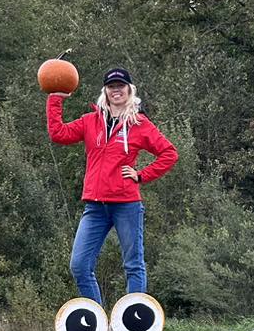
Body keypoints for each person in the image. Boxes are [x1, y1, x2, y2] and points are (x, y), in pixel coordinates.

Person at [46, 66, 179, 304]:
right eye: (111, 87)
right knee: (79, 265)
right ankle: (100, 324)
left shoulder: (139, 124)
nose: (116, 90)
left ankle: (132, 325)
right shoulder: (90, 121)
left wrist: (141, 175)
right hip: (95, 207)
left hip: (126, 204)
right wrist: (55, 99)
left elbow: (169, 153)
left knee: (133, 265)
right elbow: (59, 134)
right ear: (105, 91)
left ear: (129, 90)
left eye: (120, 86)